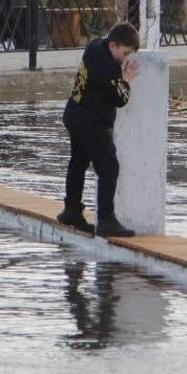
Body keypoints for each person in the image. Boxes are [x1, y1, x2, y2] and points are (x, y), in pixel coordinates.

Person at [59, 22, 141, 238]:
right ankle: (106, 219)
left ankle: (71, 210)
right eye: (124, 53)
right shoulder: (106, 65)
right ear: (113, 45)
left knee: (78, 162)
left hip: (74, 114)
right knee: (109, 167)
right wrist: (127, 80)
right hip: (90, 120)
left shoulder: (95, 46)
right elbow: (120, 98)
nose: (125, 58)